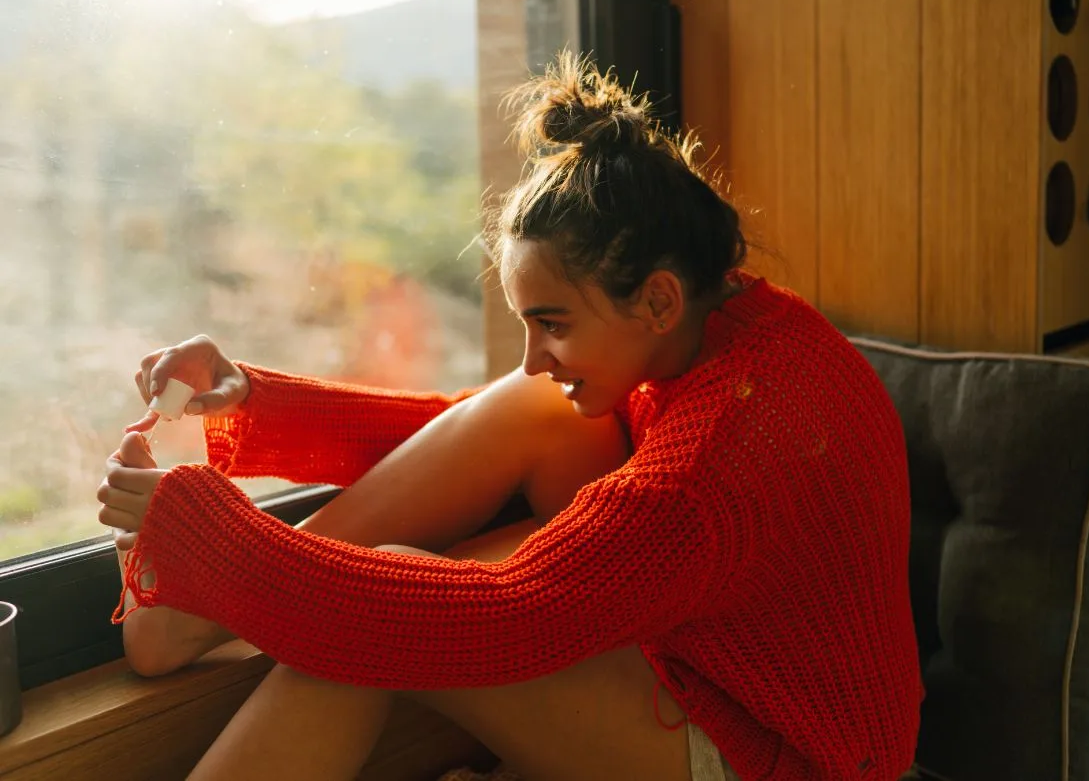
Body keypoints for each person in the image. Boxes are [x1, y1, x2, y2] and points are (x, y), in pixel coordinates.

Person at [97, 52, 922, 781]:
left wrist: (218, 537)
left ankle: (192, 601)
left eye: (553, 323)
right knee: (537, 409)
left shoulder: (701, 474)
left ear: (658, 296)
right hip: (718, 645)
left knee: (380, 616)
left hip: (780, 757)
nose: (533, 353)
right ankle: (187, 613)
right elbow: (466, 425)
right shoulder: (722, 323)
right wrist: (253, 396)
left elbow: (498, 619)